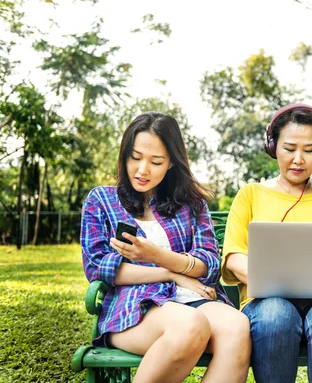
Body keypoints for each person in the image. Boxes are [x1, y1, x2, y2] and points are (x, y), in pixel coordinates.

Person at [81, 112, 251, 383]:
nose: (142, 169)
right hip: (134, 309)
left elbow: (208, 266)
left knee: (237, 325)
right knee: (190, 325)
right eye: (135, 157)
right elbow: (99, 268)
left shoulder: (191, 205)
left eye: (155, 161)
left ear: (171, 162)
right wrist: (172, 273)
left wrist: (156, 256)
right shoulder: (101, 200)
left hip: (194, 299)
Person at [222, 104, 312, 383]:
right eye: (289, 149)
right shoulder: (250, 194)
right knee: (276, 313)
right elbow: (234, 257)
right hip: (265, 303)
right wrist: (280, 281)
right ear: (273, 146)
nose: (298, 159)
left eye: (309, 150)